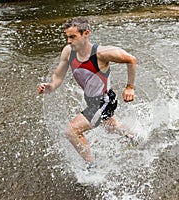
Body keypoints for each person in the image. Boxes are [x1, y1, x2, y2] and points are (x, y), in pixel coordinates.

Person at [37, 17, 137, 169]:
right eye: (67, 37)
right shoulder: (68, 52)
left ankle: (92, 167)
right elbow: (58, 76)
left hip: (104, 100)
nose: (69, 41)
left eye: (73, 37)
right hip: (92, 101)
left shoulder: (101, 53)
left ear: (86, 33)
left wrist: (130, 87)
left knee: (71, 131)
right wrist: (50, 87)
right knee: (112, 127)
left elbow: (131, 59)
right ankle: (135, 138)